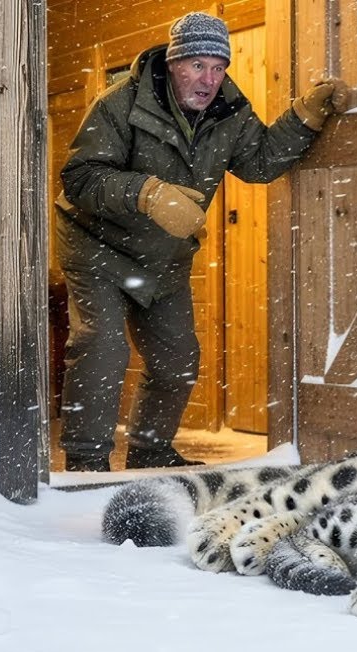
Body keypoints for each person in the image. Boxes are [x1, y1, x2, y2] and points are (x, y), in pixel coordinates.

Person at [55, 12, 341, 471]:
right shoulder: (120, 103)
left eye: (218, 67)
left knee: (178, 359)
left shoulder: (228, 111)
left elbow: (260, 162)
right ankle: (86, 462)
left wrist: (304, 116)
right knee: (103, 347)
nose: (209, 80)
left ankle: (150, 452)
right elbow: (80, 178)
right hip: (98, 245)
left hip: (164, 255)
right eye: (196, 65)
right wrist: (148, 193)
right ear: (173, 63)